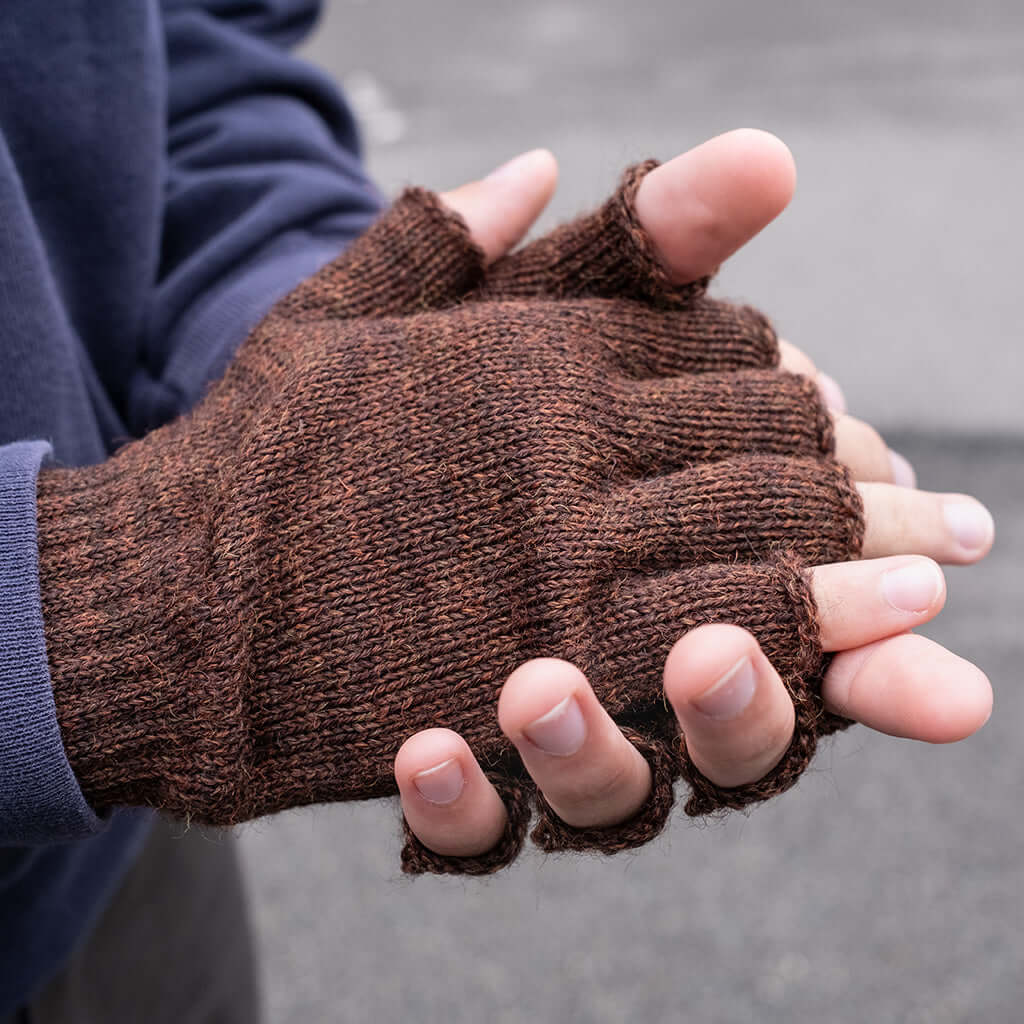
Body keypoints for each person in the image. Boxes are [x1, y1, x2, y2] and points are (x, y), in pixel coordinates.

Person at [0, 1, 994, 1020]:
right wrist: (90, 616)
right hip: (83, 735)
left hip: (106, 855)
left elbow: (185, 58)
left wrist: (307, 354)